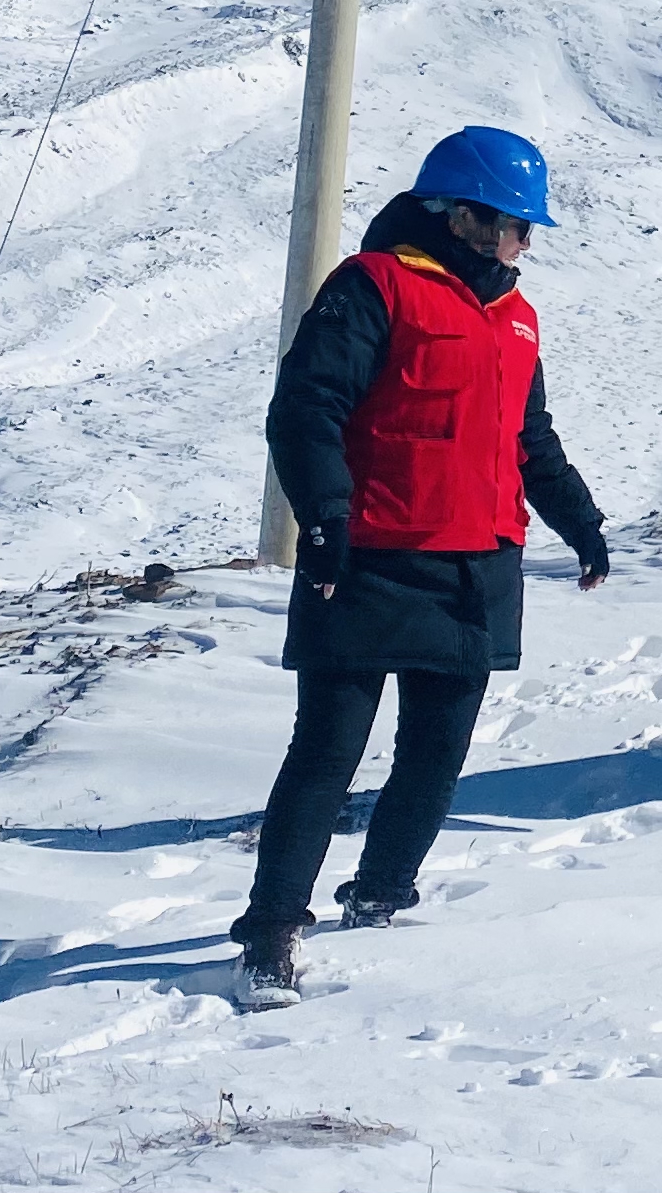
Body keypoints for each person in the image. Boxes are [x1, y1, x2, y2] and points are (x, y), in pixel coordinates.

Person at [231, 126, 608, 1005]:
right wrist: (323, 519)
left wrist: (582, 525)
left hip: (478, 567)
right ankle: (271, 933)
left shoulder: (516, 318)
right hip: (366, 560)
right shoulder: (374, 288)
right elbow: (306, 410)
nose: (526, 243)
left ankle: (380, 897)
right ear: (463, 216)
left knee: (437, 754)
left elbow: (531, 441)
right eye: (517, 225)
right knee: (328, 754)